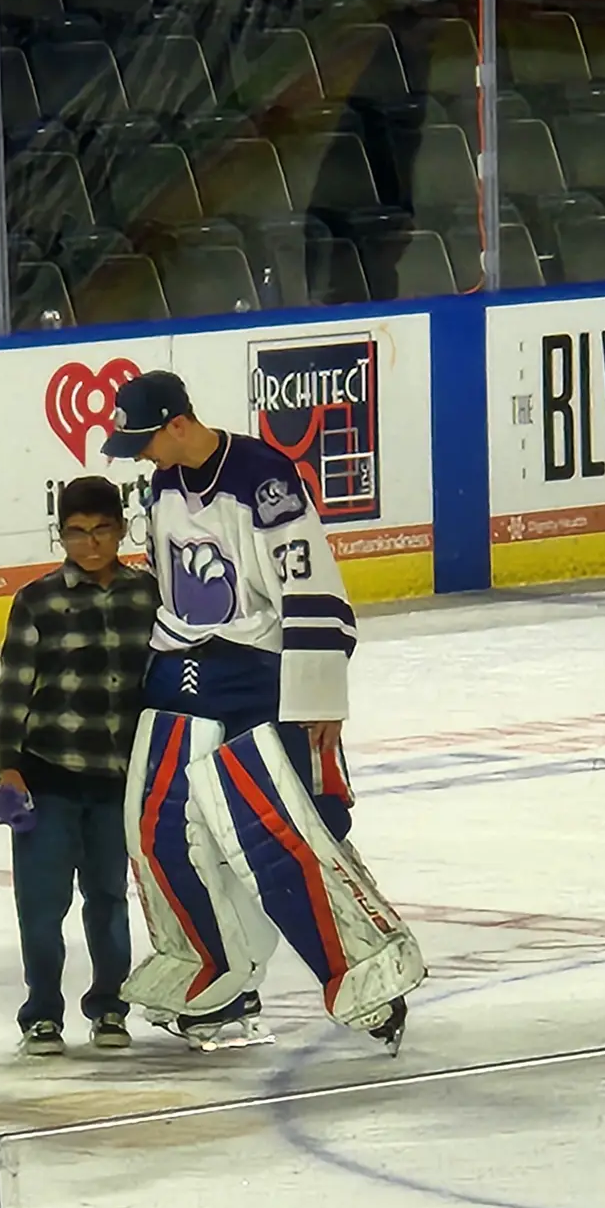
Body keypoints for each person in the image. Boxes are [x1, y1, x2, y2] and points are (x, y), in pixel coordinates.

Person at [100, 369, 425, 1052]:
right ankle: (210, 969)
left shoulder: (263, 478)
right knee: (157, 826)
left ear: (179, 424)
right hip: (182, 669)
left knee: (286, 827)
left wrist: (318, 694)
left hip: (261, 673)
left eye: (146, 440)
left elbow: (310, 583)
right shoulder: (163, 485)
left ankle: (364, 970)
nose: (143, 455)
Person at [0, 475, 157, 1055]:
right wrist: (7, 765)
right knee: (41, 905)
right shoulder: (37, 601)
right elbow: (15, 686)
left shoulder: (148, 596)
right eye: (77, 533)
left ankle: (109, 1006)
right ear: (61, 534)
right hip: (49, 779)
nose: (89, 544)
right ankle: (41, 1013)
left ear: (121, 528)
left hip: (118, 783)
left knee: (109, 898)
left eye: (101, 530)